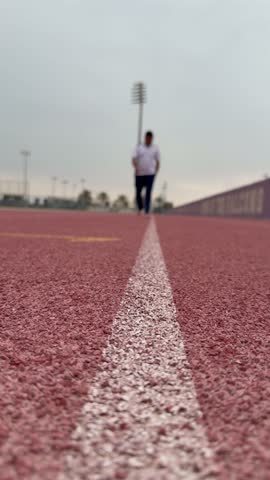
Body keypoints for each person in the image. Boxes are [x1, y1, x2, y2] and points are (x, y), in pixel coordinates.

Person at [132, 131, 160, 214]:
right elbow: (133, 158)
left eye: (150, 138)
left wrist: (156, 171)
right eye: (147, 138)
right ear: (145, 138)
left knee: (148, 191)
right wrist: (136, 167)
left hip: (150, 174)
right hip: (139, 173)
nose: (149, 139)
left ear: (152, 138)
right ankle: (140, 208)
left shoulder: (155, 148)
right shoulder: (139, 147)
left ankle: (147, 210)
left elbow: (158, 161)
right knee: (138, 192)